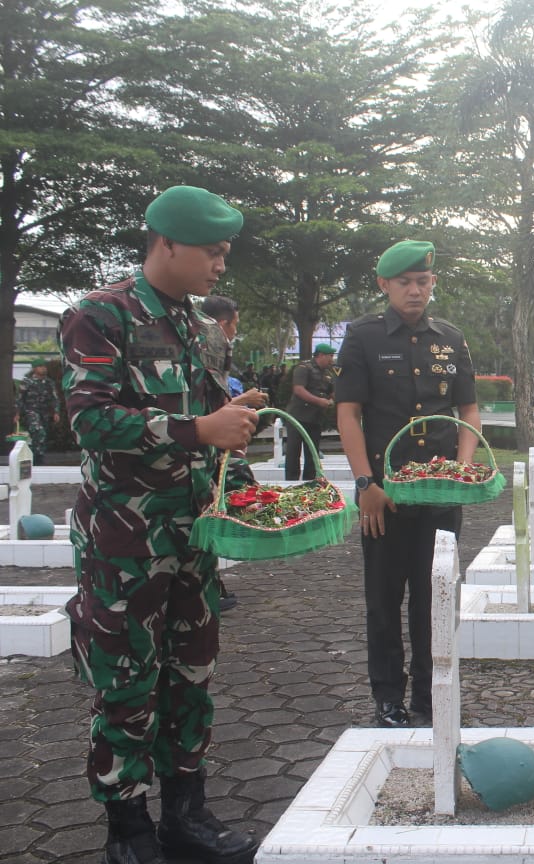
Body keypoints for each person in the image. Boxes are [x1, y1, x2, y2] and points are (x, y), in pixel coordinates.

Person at [60, 185, 260, 864]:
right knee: (127, 682)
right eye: (211, 251)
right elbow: (87, 420)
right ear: (164, 242)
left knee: (191, 673)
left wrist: (231, 424)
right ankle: (129, 828)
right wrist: (196, 427)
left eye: (224, 252)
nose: (219, 265)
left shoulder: (200, 326)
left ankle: (186, 813)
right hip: (125, 542)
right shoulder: (99, 315)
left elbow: (206, 416)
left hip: (191, 536)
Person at [336, 239, 481, 728]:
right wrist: (364, 482)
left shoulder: (451, 338)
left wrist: (460, 470)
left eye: (422, 281)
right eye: (404, 283)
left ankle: (429, 691)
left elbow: (467, 411)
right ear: (385, 285)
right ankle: (387, 697)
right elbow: (349, 413)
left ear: (433, 282)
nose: (415, 290)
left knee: (435, 595)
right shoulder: (362, 337)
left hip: (441, 493)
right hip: (386, 496)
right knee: (383, 598)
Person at [200, 294, 269, 613]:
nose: (233, 331)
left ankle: (211, 584)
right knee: (227, 500)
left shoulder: (213, 350)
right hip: (205, 450)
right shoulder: (202, 349)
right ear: (224, 323)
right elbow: (204, 411)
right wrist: (244, 402)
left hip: (214, 447)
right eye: (235, 325)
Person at [283, 343, 335, 480]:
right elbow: (299, 389)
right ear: (321, 355)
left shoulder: (328, 373)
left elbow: (332, 392)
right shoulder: (304, 368)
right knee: (293, 450)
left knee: (312, 452)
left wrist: (334, 401)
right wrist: (319, 401)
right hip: (298, 416)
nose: (332, 359)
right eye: (330, 356)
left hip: (315, 417)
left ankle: (311, 480)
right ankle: (291, 481)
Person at [16, 360, 60, 465]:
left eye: (44, 366)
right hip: (31, 412)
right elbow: (20, 399)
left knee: (41, 437)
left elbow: (55, 398)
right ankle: (38, 458)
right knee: (39, 431)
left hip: (44, 413)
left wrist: (56, 412)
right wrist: (17, 413)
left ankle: (36, 456)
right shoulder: (27, 382)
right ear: (34, 369)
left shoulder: (49, 383)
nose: (43, 368)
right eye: (40, 366)